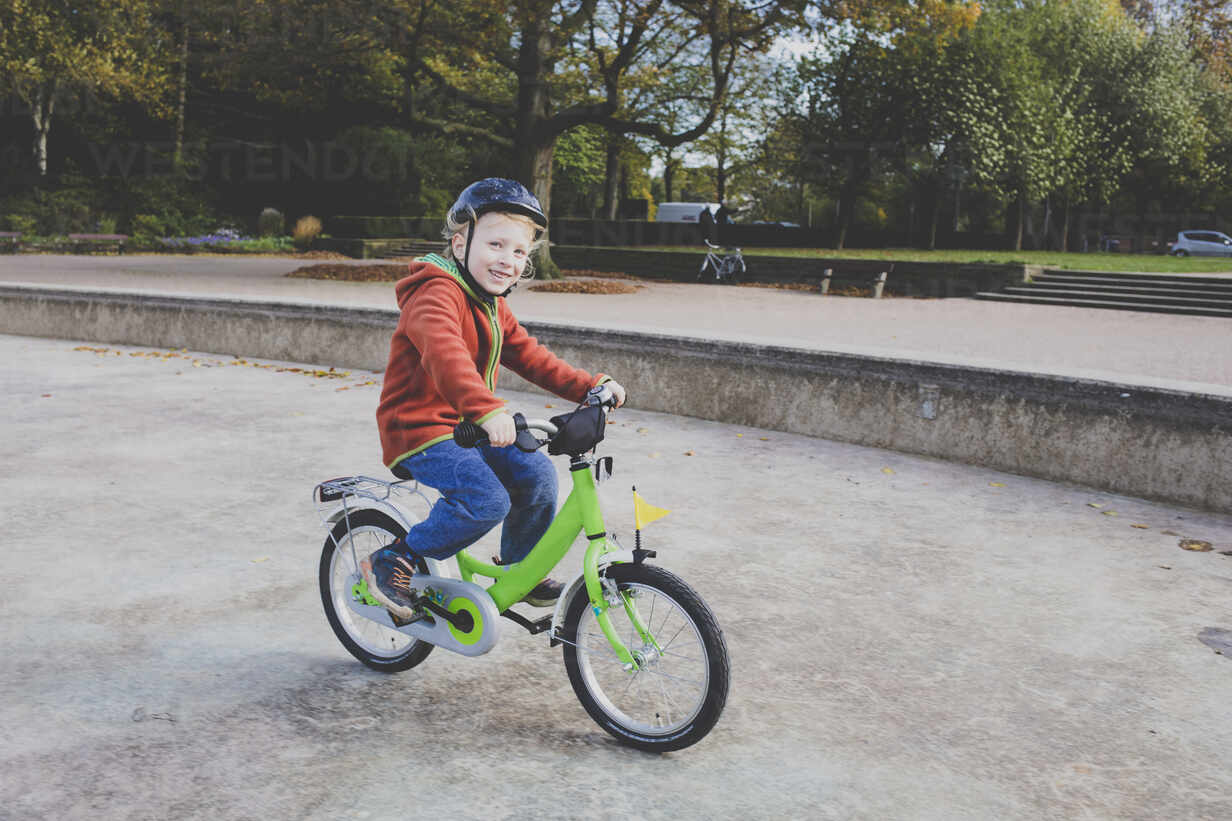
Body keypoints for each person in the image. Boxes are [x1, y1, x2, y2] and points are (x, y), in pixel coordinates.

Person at [365, 178, 627, 621]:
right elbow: (446, 356)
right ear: (460, 242)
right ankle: (393, 560)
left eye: (520, 252)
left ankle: (520, 569)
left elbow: (530, 355)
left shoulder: (491, 303)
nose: (507, 261)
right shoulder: (434, 294)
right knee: (486, 499)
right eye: (496, 245)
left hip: (467, 426)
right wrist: (486, 409)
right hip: (420, 429)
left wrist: (589, 386)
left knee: (538, 475)